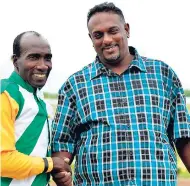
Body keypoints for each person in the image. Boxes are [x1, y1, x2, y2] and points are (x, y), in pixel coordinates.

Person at [52, 2, 190, 185]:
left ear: (126, 30)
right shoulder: (75, 85)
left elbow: (183, 135)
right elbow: (62, 142)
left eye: (113, 31)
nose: (107, 40)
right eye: (98, 35)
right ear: (91, 39)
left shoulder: (163, 75)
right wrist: (62, 173)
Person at [0, 31, 72, 186]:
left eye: (47, 58)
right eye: (33, 57)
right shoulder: (6, 93)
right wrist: (51, 163)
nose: (43, 65)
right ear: (15, 61)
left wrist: (59, 174)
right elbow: (2, 161)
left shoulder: (40, 100)